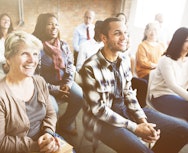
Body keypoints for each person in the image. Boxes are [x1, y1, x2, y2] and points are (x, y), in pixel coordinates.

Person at [79, 17, 188, 153]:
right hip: (102, 122)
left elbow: (129, 94)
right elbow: (99, 110)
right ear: (104, 38)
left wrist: (142, 121)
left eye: (126, 33)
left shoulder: (123, 62)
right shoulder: (90, 68)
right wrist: (135, 128)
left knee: (183, 130)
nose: (124, 37)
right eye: (118, 33)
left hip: (126, 111)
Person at [0, 31, 60, 153]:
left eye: (35, 54)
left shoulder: (39, 82)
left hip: (46, 141)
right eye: (24, 54)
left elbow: (50, 114)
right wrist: (36, 146)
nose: (32, 60)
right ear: (8, 58)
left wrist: (48, 133)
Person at [32, 13, 84, 135]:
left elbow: (71, 66)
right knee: (53, 109)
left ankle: (65, 124)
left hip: (63, 84)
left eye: (56, 24)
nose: (54, 27)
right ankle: (51, 133)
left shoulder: (64, 45)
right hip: (43, 88)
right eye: (50, 24)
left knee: (79, 96)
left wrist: (68, 84)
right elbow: (34, 77)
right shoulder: (35, 48)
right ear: (42, 26)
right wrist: (56, 89)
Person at [149, 27, 188, 121]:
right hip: (161, 97)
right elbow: (172, 85)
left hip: (178, 96)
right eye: (186, 40)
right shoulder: (166, 60)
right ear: (179, 41)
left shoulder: (186, 61)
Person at [0, 13, 14, 79]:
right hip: (2, 70)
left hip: (15, 67)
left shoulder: (14, 37)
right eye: (3, 19)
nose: (6, 21)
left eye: (8, 20)